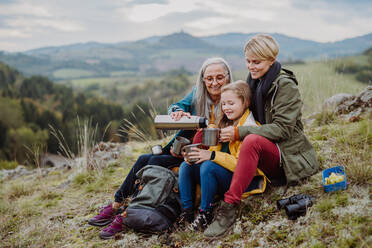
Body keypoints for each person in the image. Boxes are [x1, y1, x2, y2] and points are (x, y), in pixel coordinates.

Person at [88, 57, 233, 239]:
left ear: (228, 77)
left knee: (154, 162)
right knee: (143, 159)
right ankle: (117, 204)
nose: (214, 83)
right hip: (184, 149)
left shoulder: (232, 98)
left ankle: (128, 212)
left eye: (220, 77)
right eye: (209, 78)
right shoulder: (198, 93)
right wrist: (176, 112)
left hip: (205, 156)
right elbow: (176, 106)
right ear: (202, 79)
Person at [204, 34, 319, 238]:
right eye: (248, 61)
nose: (251, 66)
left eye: (256, 62)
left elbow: (283, 129)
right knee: (211, 138)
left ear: (271, 60)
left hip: (286, 155)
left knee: (251, 140)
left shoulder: (285, 86)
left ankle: (230, 206)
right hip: (261, 150)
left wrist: (239, 132)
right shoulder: (254, 82)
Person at [178, 81, 259, 231]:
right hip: (221, 176)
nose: (226, 108)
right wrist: (196, 155)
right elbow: (212, 154)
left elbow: (240, 166)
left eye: (231, 103)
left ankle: (205, 213)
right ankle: (187, 213)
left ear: (245, 103)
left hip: (242, 182)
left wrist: (211, 155)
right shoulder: (224, 123)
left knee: (209, 166)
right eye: (223, 104)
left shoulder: (250, 128)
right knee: (187, 166)